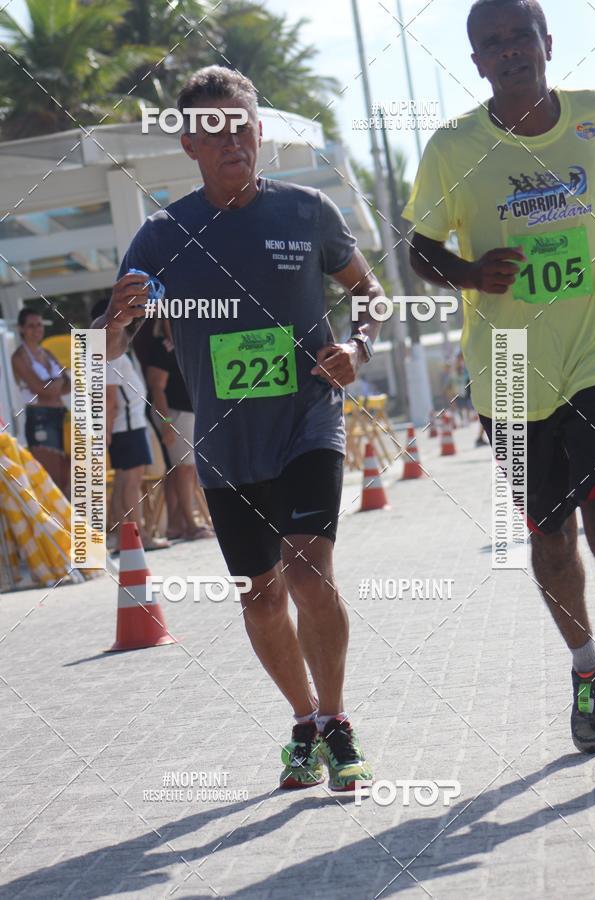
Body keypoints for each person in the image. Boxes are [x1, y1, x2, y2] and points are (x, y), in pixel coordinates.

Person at [94, 65, 384, 791]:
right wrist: (117, 316)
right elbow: (103, 348)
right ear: (189, 143)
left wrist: (359, 347)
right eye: (214, 129)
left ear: (259, 132)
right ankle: (303, 720)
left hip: (307, 420)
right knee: (260, 595)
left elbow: (370, 295)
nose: (233, 140)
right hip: (225, 446)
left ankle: (339, 720)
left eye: (243, 125)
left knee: (307, 567)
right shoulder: (162, 235)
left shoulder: (307, 211)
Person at [403, 0, 595, 753]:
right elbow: (418, 247)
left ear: (549, 44)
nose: (512, 51)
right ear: (478, 61)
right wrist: (469, 272)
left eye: (523, 36)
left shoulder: (593, 119)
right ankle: (587, 670)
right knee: (551, 537)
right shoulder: (455, 148)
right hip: (510, 372)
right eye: (495, 44)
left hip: (594, 354)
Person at [92, 299, 167, 552]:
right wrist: (107, 432)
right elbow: (109, 398)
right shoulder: (110, 351)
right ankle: (139, 536)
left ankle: (127, 536)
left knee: (125, 483)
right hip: (127, 426)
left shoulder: (115, 349)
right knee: (130, 484)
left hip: (129, 425)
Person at [146, 321, 213, 541]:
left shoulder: (187, 342)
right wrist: (166, 422)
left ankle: (177, 524)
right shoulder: (160, 346)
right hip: (173, 412)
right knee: (185, 469)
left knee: (183, 470)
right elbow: (157, 387)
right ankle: (191, 525)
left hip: (189, 411)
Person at [11, 309, 70, 496]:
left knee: (66, 475)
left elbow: (68, 384)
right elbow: (41, 389)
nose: (36, 329)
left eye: (39, 325)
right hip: (40, 418)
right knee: (50, 478)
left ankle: (66, 521)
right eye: (31, 326)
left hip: (60, 415)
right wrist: (58, 382)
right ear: (21, 329)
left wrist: (55, 384)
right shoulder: (19, 357)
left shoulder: (46, 353)